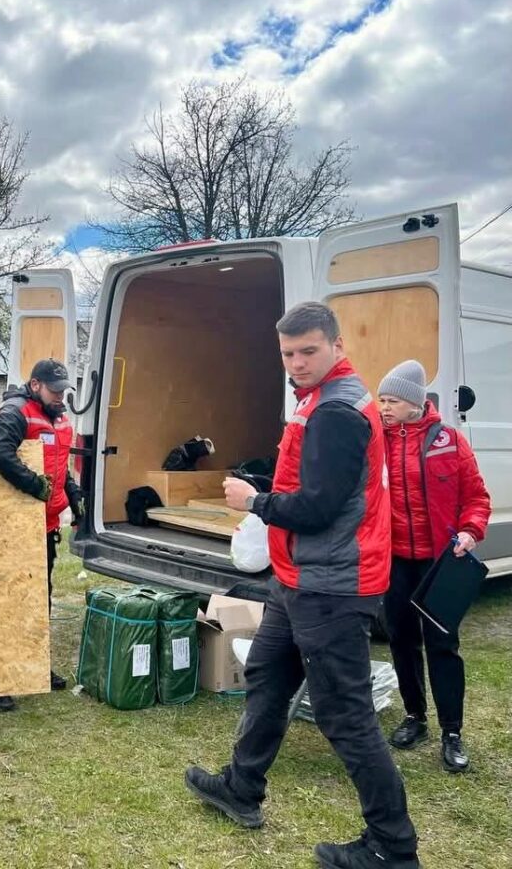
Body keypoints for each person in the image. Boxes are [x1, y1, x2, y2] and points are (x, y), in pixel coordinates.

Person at [184, 302, 421, 869]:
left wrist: (255, 502)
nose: (297, 363)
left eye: (308, 351)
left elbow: (317, 509)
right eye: (288, 353)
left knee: (346, 716)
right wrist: (269, 487)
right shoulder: (318, 399)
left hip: (332, 586)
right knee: (268, 677)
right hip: (299, 580)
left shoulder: (337, 410)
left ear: (337, 346)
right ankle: (241, 788)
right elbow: (316, 483)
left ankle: (393, 846)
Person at [377, 360, 490, 773]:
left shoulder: (449, 441)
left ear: (414, 403)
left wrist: (470, 531)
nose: (384, 408)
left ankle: (452, 731)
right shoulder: (377, 443)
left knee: (442, 644)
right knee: (401, 639)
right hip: (394, 560)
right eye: (381, 400)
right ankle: (415, 716)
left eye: (391, 401)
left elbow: (476, 497)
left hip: (438, 561)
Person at [0, 358, 84, 711]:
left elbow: (59, 468)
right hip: (12, 529)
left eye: (63, 391)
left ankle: (35, 668)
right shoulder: (15, 413)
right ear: (36, 384)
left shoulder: (60, 420)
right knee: (8, 603)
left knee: (40, 601)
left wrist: (74, 495)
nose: (59, 396)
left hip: (46, 527)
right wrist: (34, 485)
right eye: (54, 390)